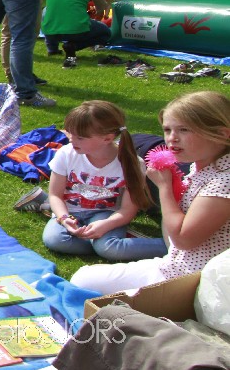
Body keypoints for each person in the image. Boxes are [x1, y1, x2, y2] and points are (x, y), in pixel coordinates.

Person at [71, 91, 230, 294]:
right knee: (83, 279)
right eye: (167, 129)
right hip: (175, 265)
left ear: (222, 134)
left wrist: (165, 188)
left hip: (198, 282)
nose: (172, 138)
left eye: (184, 130)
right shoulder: (201, 166)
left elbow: (183, 239)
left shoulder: (224, 181)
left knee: (103, 299)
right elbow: (172, 242)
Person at [41, 100, 166, 262]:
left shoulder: (132, 163)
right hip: (70, 212)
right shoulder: (66, 154)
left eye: (80, 137)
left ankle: (172, 247)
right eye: (70, 133)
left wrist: (106, 225)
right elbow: (55, 195)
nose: (71, 140)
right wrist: (64, 218)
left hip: (106, 214)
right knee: (55, 240)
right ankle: (109, 244)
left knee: (109, 248)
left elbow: (127, 210)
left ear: (107, 138)